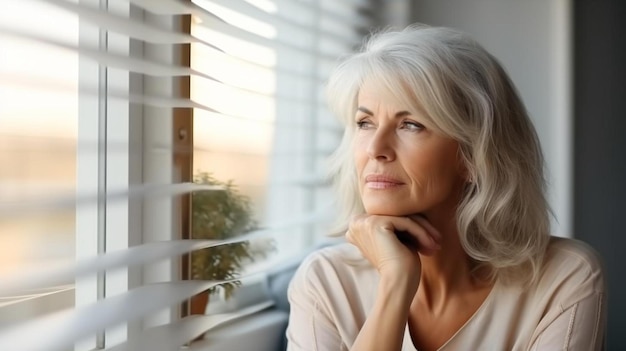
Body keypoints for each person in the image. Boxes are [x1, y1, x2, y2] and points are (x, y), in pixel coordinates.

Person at [285, 25, 606, 351]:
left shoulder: (564, 278)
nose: (375, 148)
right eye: (365, 123)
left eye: (410, 124)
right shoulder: (324, 282)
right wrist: (396, 284)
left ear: (473, 155)